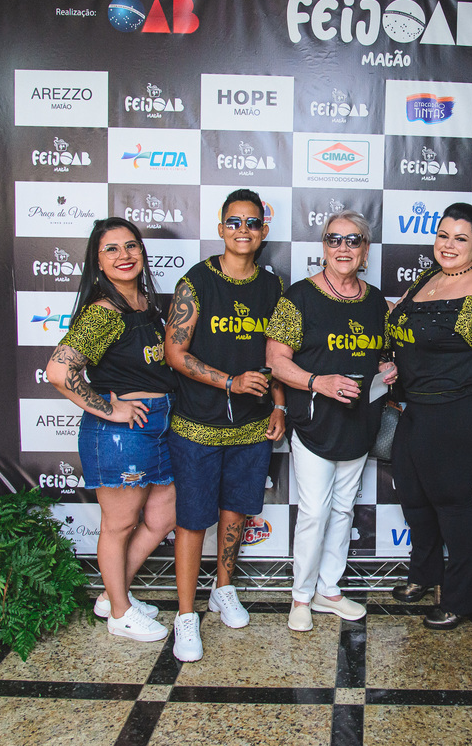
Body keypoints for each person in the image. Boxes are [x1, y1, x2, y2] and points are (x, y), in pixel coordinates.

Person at [387, 202, 472, 630]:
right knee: (413, 494)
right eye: (443, 235)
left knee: (451, 502)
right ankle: (424, 574)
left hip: (456, 409)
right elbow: (398, 321)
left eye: (460, 239)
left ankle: (463, 599)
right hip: (419, 405)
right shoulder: (428, 279)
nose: (449, 245)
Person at [163, 189, 286, 662]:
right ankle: (185, 615)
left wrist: (279, 406)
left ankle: (223, 588)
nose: (243, 230)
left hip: (252, 427)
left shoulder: (273, 286)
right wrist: (229, 382)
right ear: (220, 229)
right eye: (234, 222)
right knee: (194, 519)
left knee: (236, 511)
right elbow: (175, 353)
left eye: (252, 223)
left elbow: (278, 356)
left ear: (263, 231)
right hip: (198, 423)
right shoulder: (196, 281)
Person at [45, 218, 176, 643]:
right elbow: (59, 371)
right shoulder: (104, 311)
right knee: (118, 525)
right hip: (123, 433)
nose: (124, 255)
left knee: (163, 516)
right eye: (112, 249)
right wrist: (110, 409)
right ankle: (120, 613)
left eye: (131, 245)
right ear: (97, 262)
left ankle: (111, 595)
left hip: (159, 423)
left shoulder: (144, 303)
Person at [265, 210, 396, 632]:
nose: (343, 248)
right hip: (315, 423)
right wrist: (317, 381)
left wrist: (387, 369)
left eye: (353, 240)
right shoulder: (299, 297)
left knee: (343, 509)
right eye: (334, 239)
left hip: (360, 422)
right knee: (315, 512)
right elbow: (275, 361)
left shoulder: (376, 301)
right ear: (323, 247)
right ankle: (301, 596)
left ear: (365, 250)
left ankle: (329, 589)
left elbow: (381, 354)